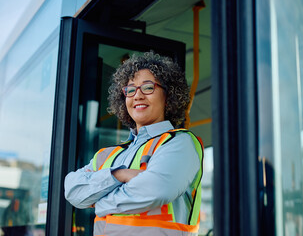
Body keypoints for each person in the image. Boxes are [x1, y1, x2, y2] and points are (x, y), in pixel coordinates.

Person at [64, 51, 203, 236]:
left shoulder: (180, 143)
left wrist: (98, 202)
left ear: (168, 96)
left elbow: (156, 190)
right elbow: (73, 190)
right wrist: (120, 174)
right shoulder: (107, 155)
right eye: (130, 90)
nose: (137, 96)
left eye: (147, 87)